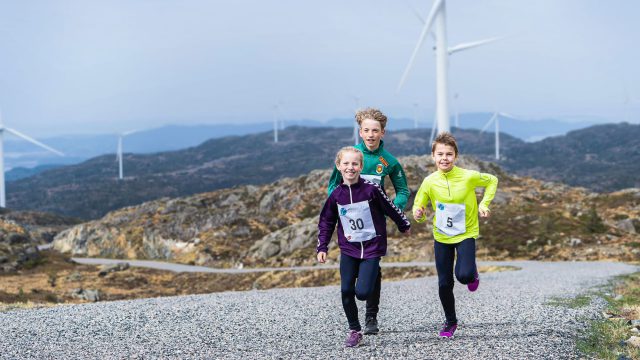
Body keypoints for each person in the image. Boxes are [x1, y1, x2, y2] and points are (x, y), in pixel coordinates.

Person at [327, 107, 410, 335]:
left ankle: (371, 315)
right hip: (350, 223)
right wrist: (338, 206)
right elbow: (332, 185)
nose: (371, 135)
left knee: (374, 267)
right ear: (360, 132)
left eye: (375, 130)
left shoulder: (389, 161)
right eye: (366, 130)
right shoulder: (350, 156)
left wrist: (391, 209)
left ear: (383, 133)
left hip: (376, 224)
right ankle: (355, 315)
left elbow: (403, 190)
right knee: (354, 266)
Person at [412, 132, 498, 338]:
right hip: (441, 236)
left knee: (464, 275)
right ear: (433, 156)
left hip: (466, 233)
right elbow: (418, 206)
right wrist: (419, 214)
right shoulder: (430, 181)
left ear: (455, 156)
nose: (444, 158)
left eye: (449, 154)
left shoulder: (468, 176)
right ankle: (450, 322)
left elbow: (492, 180)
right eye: (440, 154)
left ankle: (472, 274)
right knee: (444, 283)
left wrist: (484, 204)